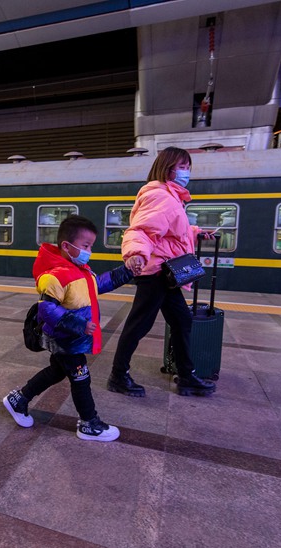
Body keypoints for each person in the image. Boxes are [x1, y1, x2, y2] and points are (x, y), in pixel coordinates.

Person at [3, 215, 133, 442]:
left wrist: (128, 271)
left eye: (91, 246)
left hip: (73, 338)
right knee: (81, 378)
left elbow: (99, 284)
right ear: (67, 245)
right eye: (85, 246)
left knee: (56, 371)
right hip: (66, 338)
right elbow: (47, 311)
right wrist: (80, 324)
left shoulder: (79, 269)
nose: (89, 251)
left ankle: (19, 399)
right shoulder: (54, 276)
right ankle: (89, 423)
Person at [106, 146, 216, 397]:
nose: (186, 172)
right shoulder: (161, 196)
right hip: (155, 272)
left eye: (188, 168)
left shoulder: (171, 196)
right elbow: (141, 230)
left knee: (181, 320)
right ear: (168, 168)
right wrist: (135, 253)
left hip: (166, 274)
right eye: (182, 167)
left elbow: (172, 230)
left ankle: (187, 376)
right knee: (138, 326)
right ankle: (118, 376)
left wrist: (196, 232)